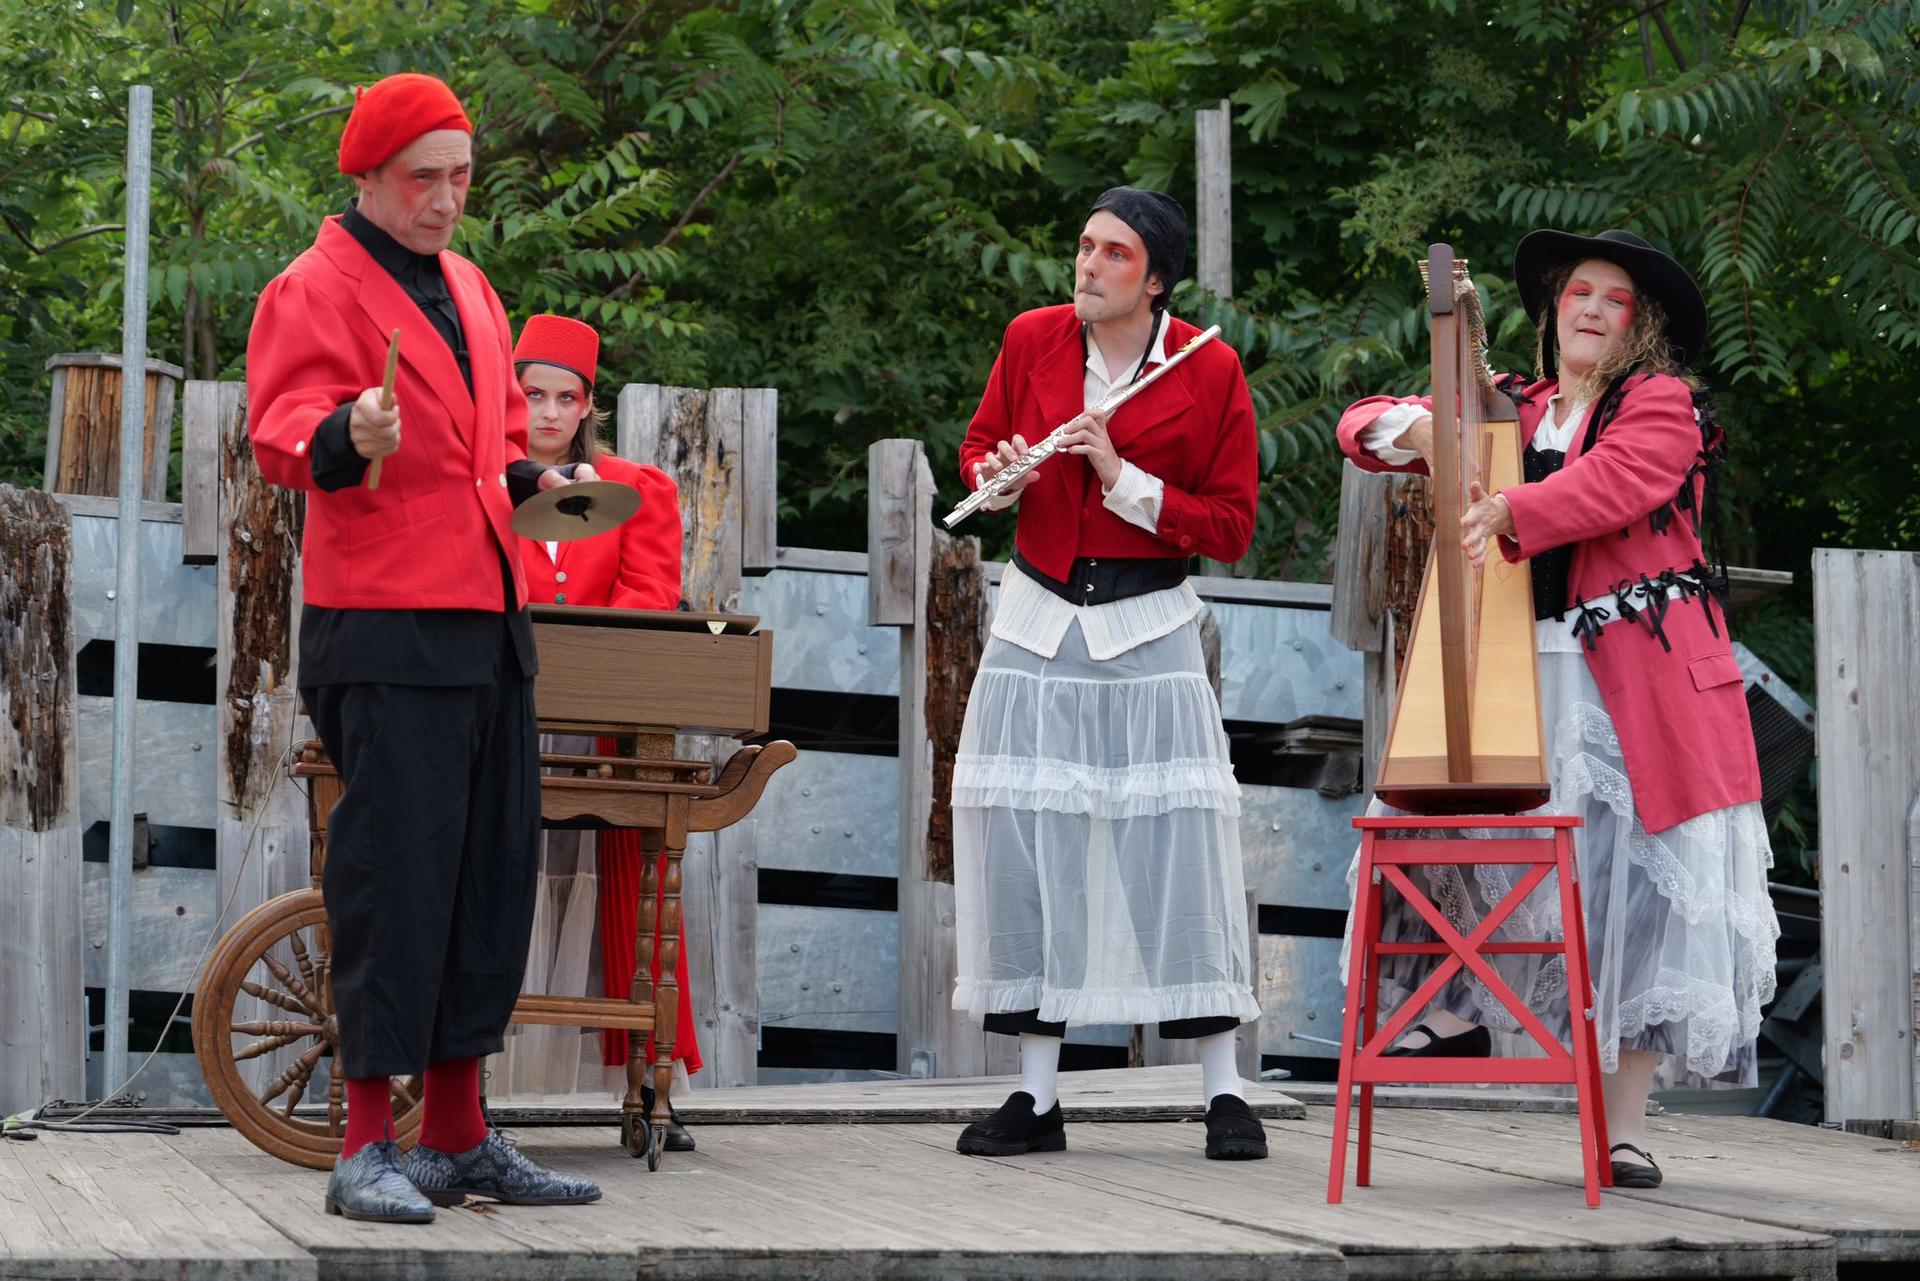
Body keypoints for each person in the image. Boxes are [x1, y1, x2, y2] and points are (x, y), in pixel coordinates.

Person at [1335, 228, 1780, 1190]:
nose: (1591, 308)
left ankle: (1623, 1129)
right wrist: (1415, 431)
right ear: (1553, 310)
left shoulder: (1661, 404)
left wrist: (1512, 511)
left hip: (1641, 691)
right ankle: (1456, 1012)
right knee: (1474, 853)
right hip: (1526, 681)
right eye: (1579, 291)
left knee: (1638, 901)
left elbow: (1621, 481)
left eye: (1614, 299)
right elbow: (1358, 422)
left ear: (1639, 324)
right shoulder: (1512, 407)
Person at [246, 73, 601, 1222]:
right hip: (387, 622)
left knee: (487, 880)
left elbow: (488, 453)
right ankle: (366, 1149)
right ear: (368, 176)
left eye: (461, 177)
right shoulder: (311, 287)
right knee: (396, 882)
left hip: (490, 620)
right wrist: (347, 428)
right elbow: (280, 434)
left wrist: (538, 482)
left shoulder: (473, 287)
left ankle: (456, 1135)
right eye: (424, 179)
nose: (447, 199)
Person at [949, 186, 1267, 1161]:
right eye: (1085, 246)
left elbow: (1231, 526)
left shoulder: (1208, 367)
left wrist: (1123, 478)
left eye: (1114, 253)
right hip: (1038, 622)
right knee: (1029, 842)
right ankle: (1036, 1097)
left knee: (1177, 845)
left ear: (1156, 278)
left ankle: (1224, 1091)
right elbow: (977, 448)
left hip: (1146, 624)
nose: (1088, 264)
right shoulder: (1031, 338)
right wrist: (997, 479)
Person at [509, 313, 700, 1150]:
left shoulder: (636, 487)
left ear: (587, 404)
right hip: (505, 710)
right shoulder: (483, 480)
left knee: (633, 880)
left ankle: (652, 1081)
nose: (549, 413)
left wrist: (586, 672)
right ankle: (460, 1082)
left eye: (565, 398)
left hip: (605, 724)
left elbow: (649, 594)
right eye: (532, 395)